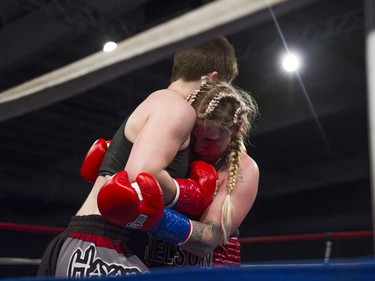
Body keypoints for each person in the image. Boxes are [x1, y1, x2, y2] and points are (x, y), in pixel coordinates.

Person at [37, 36, 238, 277]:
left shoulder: (157, 102)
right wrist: (186, 193)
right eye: (225, 87)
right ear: (213, 79)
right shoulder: (178, 109)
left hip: (89, 244)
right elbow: (139, 180)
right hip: (102, 247)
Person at [141, 76, 260, 268]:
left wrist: (151, 217)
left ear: (235, 129)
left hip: (211, 271)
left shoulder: (244, 169)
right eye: (194, 137)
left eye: (210, 140)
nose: (199, 147)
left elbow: (207, 240)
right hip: (156, 265)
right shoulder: (175, 147)